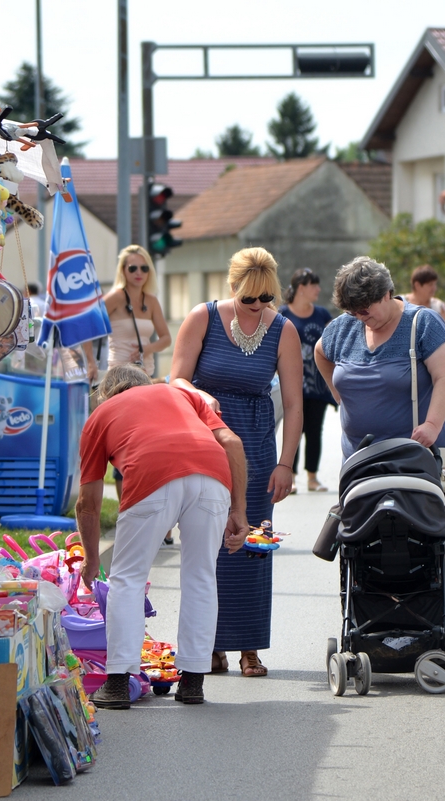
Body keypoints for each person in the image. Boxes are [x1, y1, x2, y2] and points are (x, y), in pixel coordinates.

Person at [76, 365, 249, 708]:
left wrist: (92, 558)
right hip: (213, 475)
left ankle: (116, 685)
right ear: (145, 384)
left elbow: (88, 503)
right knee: (201, 577)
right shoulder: (181, 393)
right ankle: (193, 682)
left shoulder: (101, 413)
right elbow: (231, 441)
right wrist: (238, 510)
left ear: (108, 393)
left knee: (127, 579)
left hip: (151, 474)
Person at [315, 257, 445, 617]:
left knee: (422, 542)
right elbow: (321, 355)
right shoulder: (344, 328)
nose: (361, 316)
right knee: (366, 543)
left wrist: (433, 426)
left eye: (366, 308)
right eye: (353, 310)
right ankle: (369, 614)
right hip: (361, 459)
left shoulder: (422, 323)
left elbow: (444, 378)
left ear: (388, 293)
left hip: (418, 457)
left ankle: (432, 615)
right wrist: (339, 396)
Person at [171, 247, 304, 678]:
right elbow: (175, 379)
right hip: (205, 442)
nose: (259, 307)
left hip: (258, 446)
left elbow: (294, 403)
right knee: (206, 544)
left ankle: (248, 647)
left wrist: (286, 463)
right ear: (233, 288)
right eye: (251, 299)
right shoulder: (202, 317)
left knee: (251, 546)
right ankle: (209, 645)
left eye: (267, 298)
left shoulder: (283, 330)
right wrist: (198, 395)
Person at [279, 269, 335, 494]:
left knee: (314, 430)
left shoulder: (322, 314)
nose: (318, 289)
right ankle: (289, 476)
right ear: (302, 288)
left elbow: (333, 341)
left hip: (318, 383)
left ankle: (313, 477)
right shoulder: (282, 313)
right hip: (291, 383)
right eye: (314, 285)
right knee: (294, 428)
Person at [103, 246, 172, 376]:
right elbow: (88, 326)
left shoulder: (152, 301)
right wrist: (90, 362)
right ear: (123, 270)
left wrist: (147, 349)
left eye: (144, 268)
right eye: (132, 268)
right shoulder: (115, 297)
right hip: (119, 375)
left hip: (145, 373)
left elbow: (166, 338)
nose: (139, 272)